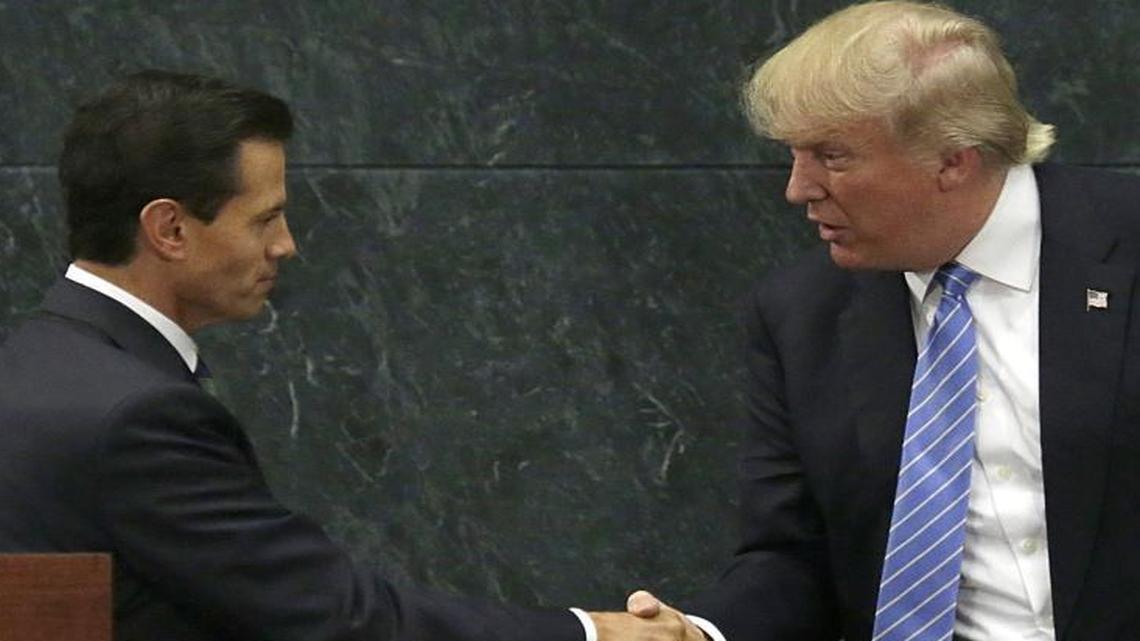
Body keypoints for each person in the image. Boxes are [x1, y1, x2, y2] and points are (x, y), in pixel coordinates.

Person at [0, 70, 692, 641]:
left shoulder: (37, 361)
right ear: (170, 227)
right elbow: (337, 616)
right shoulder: (137, 415)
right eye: (265, 218)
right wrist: (595, 633)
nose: (286, 245)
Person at [622, 1, 1140, 640]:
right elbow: (794, 556)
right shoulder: (801, 314)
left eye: (831, 156)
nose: (798, 187)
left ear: (954, 159)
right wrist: (703, 634)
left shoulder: (1125, 246)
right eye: (794, 154)